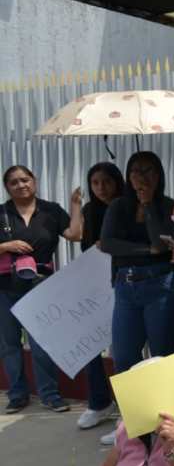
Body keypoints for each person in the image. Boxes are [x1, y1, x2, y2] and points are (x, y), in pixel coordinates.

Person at [99, 152, 174, 445]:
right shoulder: (118, 206)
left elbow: (162, 242)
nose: (141, 177)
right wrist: (146, 251)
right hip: (127, 287)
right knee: (123, 356)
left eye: (148, 171)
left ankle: (164, 424)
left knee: (161, 355)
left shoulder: (169, 206)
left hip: (162, 285)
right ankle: (132, 423)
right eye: (135, 171)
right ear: (128, 176)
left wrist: (147, 206)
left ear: (159, 175)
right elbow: (108, 243)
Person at [0, 165, 83, 413]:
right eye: (14, 182)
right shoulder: (2, 213)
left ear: (34, 181)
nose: (21, 185)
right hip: (5, 286)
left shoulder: (51, 210)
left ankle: (50, 394)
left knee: (43, 342)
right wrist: (7, 246)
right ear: (7, 188)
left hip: (41, 285)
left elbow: (75, 235)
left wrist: (76, 206)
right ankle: (17, 395)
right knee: (9, 344)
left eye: (25, 179)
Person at [76, 162, 125, 429]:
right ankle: (99, 402)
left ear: (118, 181)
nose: (101, 188)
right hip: (98, 288)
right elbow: (86, 251)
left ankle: (130, 411)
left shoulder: (131, 206)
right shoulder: (89, 211)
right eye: (95, 183)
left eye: (106, 181)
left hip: (128, 283)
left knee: (122, 350)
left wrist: (112, 245)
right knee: (89, 346)